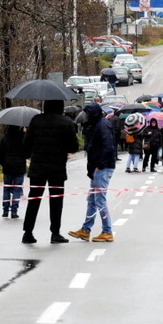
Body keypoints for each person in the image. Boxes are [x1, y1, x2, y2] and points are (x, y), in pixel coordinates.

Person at [22, 100, 80, 245]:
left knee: (34, 200)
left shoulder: (36, 120)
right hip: (57, 167)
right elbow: (74, 147)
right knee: (56, 201)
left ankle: (28, 232)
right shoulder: (66, 122)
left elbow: (26, 144)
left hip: (37, 168)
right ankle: (55, 233)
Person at [69, 103, 117, 243]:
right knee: (92, 200)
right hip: (97, 167)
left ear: (93, 114)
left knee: (100, 199)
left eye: (88, 114)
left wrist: (100, 166)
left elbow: (108, 147)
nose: (86, 117)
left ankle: (107, 231)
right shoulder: (96, 125)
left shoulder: (103, 125)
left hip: (102, 167)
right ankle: (86, 229)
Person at [0, 125, 27, 219]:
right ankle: (14, 211)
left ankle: (5, 210)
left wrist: (3, 163)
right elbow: (27, 152)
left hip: (7, 167)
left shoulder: (5, 139)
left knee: (6, 189)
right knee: (17, 189)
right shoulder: (23, 139)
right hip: (19, 167)